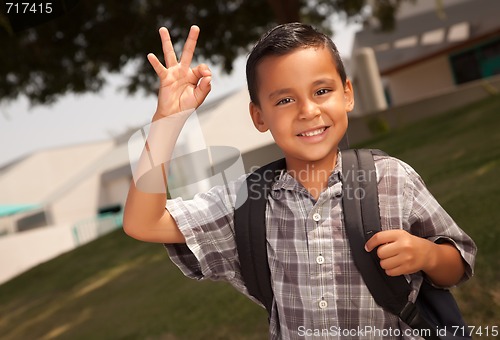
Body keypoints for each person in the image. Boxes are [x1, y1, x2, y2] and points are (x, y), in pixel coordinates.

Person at [123, 23, 476, 339]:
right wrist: (167, 120)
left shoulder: (392, 177)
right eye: (286, 99)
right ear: (259, 116)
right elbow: (144, 222)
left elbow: (458, 264)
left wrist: (427, 254)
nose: (308, 110)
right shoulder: (246, 202)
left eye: (322, 91)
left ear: (347, 94)